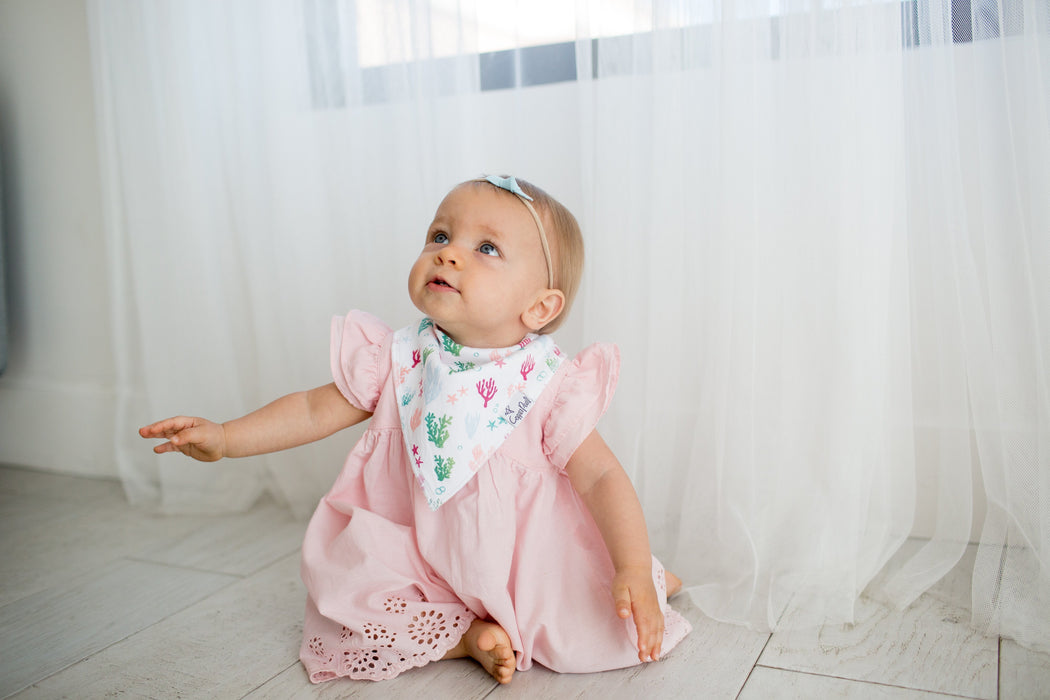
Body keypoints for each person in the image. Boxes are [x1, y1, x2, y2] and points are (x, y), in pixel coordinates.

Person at [140, 175, 691, 685]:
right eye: (440, 234)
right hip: (414, 552)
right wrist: (227, 437)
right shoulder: (398, 357)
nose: (448, 252)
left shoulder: (547, 384)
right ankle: (464, 638)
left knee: (591, 606)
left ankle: (646, 578)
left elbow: (599, 478)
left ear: (540, 307)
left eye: (487, 248)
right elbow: (312, 410)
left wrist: (632, 565)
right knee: (347, 591)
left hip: (519, 560)